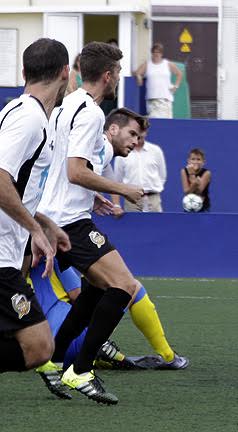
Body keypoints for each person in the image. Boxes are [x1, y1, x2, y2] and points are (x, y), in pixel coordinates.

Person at [37, 41, 147, 405]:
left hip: (55, 216)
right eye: (118, 71)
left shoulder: (66, 104)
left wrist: (94, 196)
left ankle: (53, 360)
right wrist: (122, 189)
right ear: (108, 75)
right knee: (125, 286)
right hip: (69, 222)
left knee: (97, 290)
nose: (119, 77)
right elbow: (75, 170)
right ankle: (80, 370)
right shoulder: (92, 113)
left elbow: (60, 168)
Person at [0, 38, 71, 375]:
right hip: (1, 253)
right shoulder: (27, 117)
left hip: (9, 252)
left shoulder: (26, 115)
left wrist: (44, 223)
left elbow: (18, 188)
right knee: (39, 346)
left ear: (24, 71)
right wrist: (33, 228)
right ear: (66, 73)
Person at [29, 258, 188, 376]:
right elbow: (78, 296)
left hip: (40, 351)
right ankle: (168, 356)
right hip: (67, 343)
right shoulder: (50, 258)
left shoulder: (10, 271)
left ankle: (97, 352)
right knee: (131, 287)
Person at [111, 123, 167, 213]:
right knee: (132, 226)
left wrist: (151, 188)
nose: (139, 134)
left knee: (156, 226)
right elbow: (117, 181)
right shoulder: (123, 152)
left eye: (142, 131)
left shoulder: (156, 151)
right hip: (131, 200)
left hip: (153, 199)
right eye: (136, 131)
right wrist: (116, 205)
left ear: (146, 132)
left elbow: (162, 176)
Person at [134, 43, 183, 119]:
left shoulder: (167, 64)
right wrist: (139, 78)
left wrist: (176, 86)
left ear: (161, 54)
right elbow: (137, 72)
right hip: (152, 99)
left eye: (158, 52)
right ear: (152, 53)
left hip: (165, 98)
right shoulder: (147, 64)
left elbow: (179, 74)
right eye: (154, 52)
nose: (156, 54)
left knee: (165, 122)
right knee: (154, 121)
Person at [180, 148, 211, 212]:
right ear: (188, 161)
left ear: (203, 162)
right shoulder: (183, 171)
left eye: (198, 159)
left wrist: (192, 176)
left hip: (203, 207)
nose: (195, 162)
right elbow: (186, 192)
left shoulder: (207, 173)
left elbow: (198, 192)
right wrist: (195, 182)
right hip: (188, 206)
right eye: (193, 159)